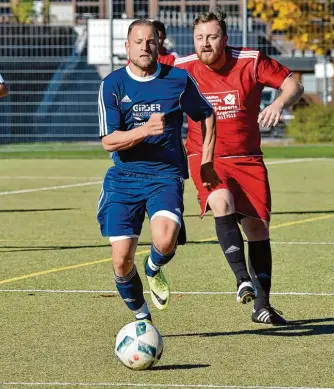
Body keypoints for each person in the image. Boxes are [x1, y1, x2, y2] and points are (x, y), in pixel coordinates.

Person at [175, 9, 304, 325]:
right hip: (206, 156)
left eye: (212, 36)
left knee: (258, 228)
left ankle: (262, 305)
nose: (205, 43)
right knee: (222, 201)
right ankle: (241, 279)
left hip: (247, 158)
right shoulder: (182, 68)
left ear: (225, 38)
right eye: (200, 37)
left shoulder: (251, 60)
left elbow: (294, 85)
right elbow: (143, 74)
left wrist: (277, 103)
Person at [97, 19, 219, 323]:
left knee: (165, 241)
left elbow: (206, 114)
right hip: (124, 179)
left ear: (158, 45)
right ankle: (142, 318)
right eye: (138, 42)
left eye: (150, 42)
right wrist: (145, 130)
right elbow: (109, 141)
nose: (145, 47)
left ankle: (153, 268)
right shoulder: (112, 84)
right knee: (121, 260)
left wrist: (206, 161)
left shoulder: (178, 80)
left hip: (165, 175)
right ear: (127, 47)